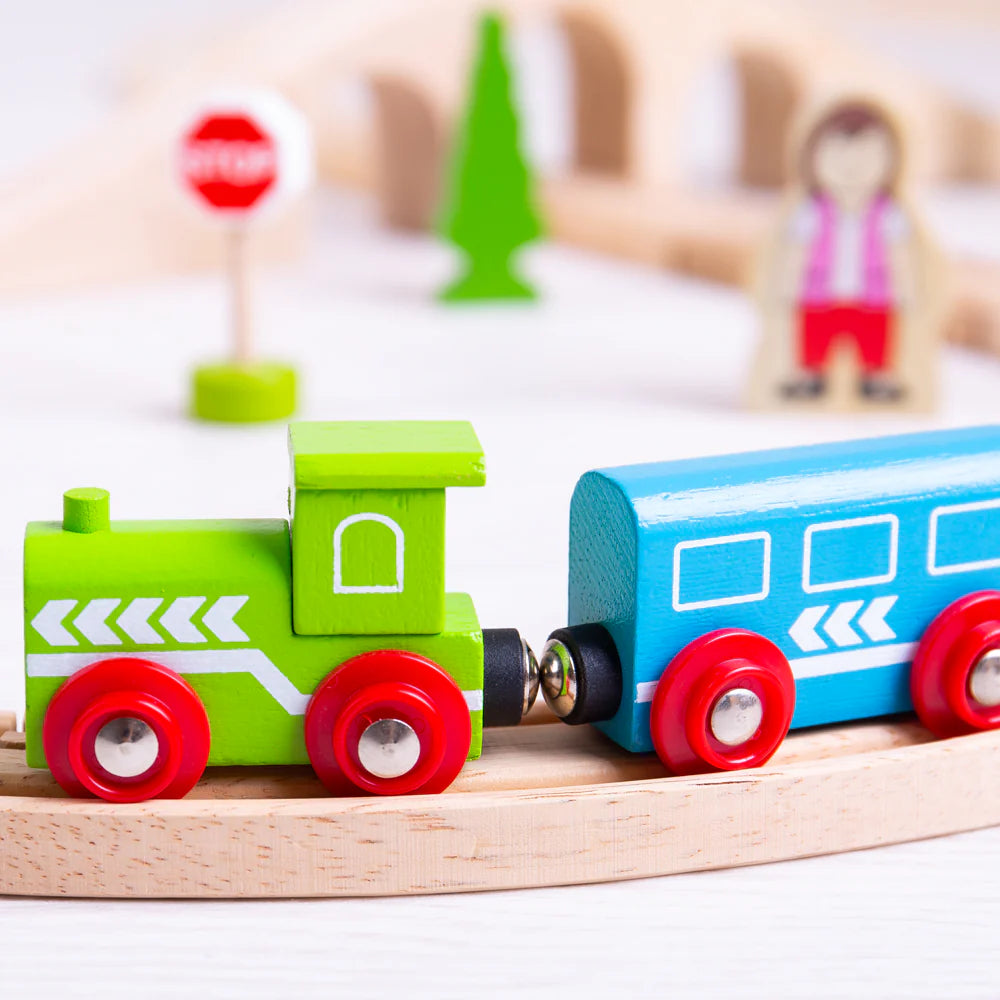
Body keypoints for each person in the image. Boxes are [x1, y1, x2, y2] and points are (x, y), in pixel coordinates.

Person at [775, 100, 917, 401]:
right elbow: (796, 251)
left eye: (867, 158)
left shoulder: (887, 213)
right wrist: (787, 285)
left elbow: (899, 254)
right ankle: (810, 377)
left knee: (875, 340)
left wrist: (906, 288)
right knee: (814, 338)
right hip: (819, 294)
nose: (852, 169)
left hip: (873, 295)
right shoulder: (811, 211)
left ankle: (876, 379)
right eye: (839, 158)